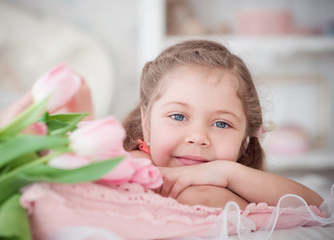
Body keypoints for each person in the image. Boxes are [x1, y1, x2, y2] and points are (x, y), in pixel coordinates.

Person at [123, 39, 323, 210]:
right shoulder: (137, 167)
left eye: (221, 124)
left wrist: (228, 173)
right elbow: (200, 198)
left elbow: (318, 207)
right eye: (178, 117)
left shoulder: (231, 174)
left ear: (245, 137)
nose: (199, 137)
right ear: (146, 124)